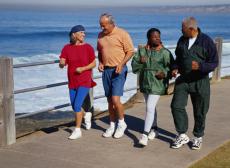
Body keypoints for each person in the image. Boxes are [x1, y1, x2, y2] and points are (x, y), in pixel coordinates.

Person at [170, 17, 218, 150]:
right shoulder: (182, 40)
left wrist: (201, 66)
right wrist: (175, 68)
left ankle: (197, 137)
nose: (181, 31)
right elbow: (178, 58)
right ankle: (182, 134)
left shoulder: (206, 41)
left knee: (200, 110)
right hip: (183, 80)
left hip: (200, 81)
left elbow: (214, 63)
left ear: (191, 29)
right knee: (176, 106)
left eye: (183, 29)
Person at [131, 28, 174, 146]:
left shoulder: (165, 52)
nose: (157, 39)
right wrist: (140, 61)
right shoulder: (142, 51)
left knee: (149, 107)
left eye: (158, 36)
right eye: (154, 37)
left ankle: (144, 135)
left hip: (157, 83)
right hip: (145, 83)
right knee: (151, 107)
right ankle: (154, 129)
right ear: (149, 38)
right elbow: (134, 68)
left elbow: (172, 68)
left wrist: (164, 73)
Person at [97, 13, 134, 138]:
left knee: (115, 99)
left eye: (104, 26)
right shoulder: (100, 36)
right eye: (100, 26)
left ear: (111, 23)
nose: (102, 28)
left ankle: (122, 123)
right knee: (109, 100)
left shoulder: (122, 34)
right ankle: (112, 125)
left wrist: (121, 64)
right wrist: (101, 62)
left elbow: (130, 51)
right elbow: (100, 51)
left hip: (119, 70)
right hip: (106, 71)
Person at [59, 25, 96, 140]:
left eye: (84, 33)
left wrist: (83, 69)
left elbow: (93, 64)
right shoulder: (66, 48)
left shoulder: (88, 47)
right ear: (74, 34)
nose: (84, 34)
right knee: (75, 106)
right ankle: (86, 114)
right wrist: (61, 63)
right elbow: (62, 62)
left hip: (85, 80)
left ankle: (77, 130)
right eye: (81, 32)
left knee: (76, 105)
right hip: (72, 81)